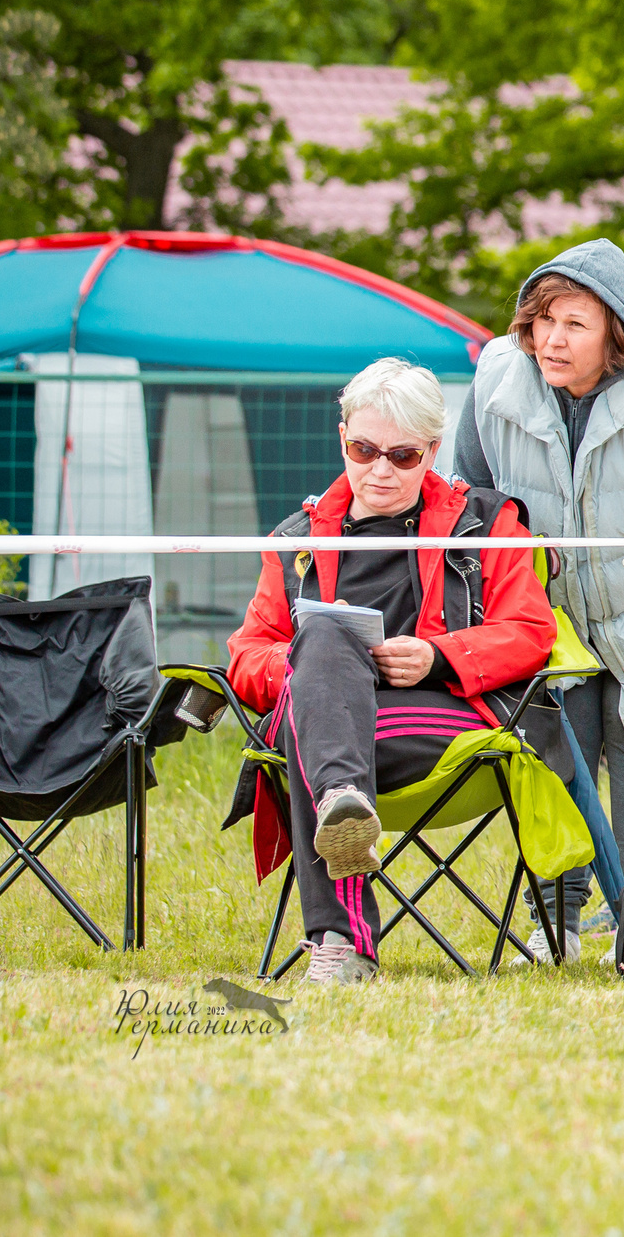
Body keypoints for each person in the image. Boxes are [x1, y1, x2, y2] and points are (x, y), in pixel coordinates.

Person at [225, 359, 557, 984]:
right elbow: (246, 654)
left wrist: (440, 656)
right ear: (342, 439)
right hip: (326, 724)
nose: (380, 469)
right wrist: (312, 663)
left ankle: (339, 939)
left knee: (314, 726)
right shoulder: (297, 536)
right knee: (321, 639)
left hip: (442, 723)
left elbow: (531, 633)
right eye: (364, 449)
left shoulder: (487, 524)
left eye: (403, 456)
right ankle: (342, 804)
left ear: (434, 449)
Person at [453, 239, 624, 963]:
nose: (552, 337)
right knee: (554, 772)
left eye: (574, 324)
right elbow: (470, 503)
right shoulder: (493, 382)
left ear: (616, 332)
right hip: (546, 624)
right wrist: (509, 603)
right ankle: (558, 929)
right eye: (543, 319)